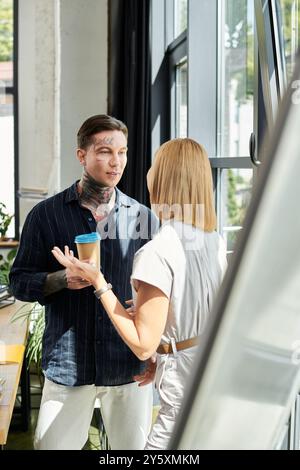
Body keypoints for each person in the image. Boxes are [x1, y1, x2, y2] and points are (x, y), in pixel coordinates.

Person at [51, 137, 228, 450]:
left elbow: (143, 346)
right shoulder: (212, 239)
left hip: (180, 391)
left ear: (161, 178)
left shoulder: (157, 251)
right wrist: (163, 341)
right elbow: (199, 312)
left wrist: (98, 281)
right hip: (207, 374)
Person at [9, 115, 159, 450]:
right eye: (106, 151)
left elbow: (158, 295)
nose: (116, 161)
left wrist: (156, 351)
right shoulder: (45, 215)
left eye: (122, 152)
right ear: (82, 156)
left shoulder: (143, 218)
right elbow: (18, 282)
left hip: (127, 365)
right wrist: (61, 278)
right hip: (68, 365)